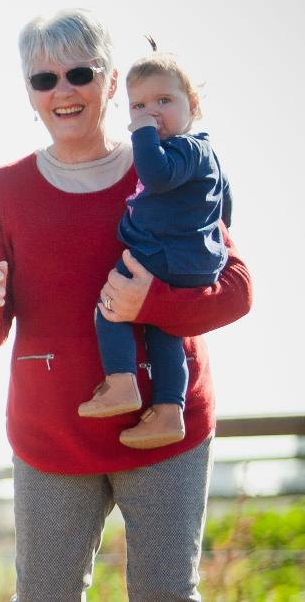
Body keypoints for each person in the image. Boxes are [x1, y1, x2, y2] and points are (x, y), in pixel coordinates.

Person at [0, 10, 251, 599]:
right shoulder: (4, 191)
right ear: (30, 93)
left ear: (112, 83)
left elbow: (236, 290)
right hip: (53, 437)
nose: (63, 91)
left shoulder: (177, 168)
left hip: (166, 430)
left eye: (80, 73)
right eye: (44, 79)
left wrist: (153, 300)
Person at [77, 42, 232, 450]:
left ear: (192, 102)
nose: (150, 113)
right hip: (185, 260)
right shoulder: (209, 157)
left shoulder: (185, 148)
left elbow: (158, 176)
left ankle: (121, 383)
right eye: (138, 106)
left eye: (163, 101)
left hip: (162, 257)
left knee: (110, 307)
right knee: (166, 334)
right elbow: (224, 207)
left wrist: (142, 133)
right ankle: (168, 411)